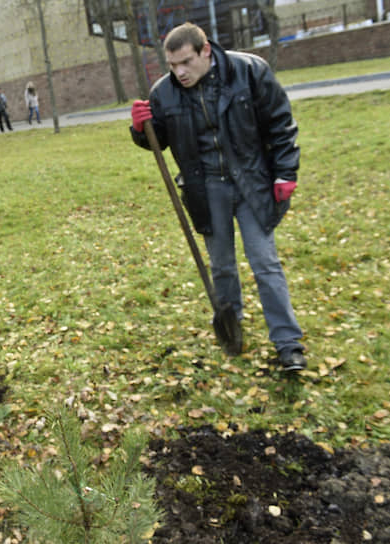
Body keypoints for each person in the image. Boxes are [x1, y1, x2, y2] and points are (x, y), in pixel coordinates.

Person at [129, 22, 307, 371]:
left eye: (186, 63)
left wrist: (286, 171)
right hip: (206, 189)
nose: (179, 72)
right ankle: (232, 326)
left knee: (265, 262)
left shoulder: (249, 71)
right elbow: (157, 139)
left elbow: (280, 122)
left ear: (205, 50)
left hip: (251, 182)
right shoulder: (163, 93)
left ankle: (288, 343)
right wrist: (139, 129)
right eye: (172, 65)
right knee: (222, 265)